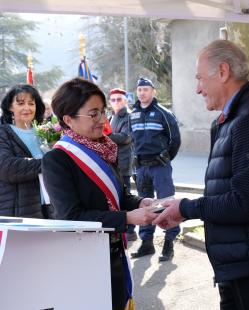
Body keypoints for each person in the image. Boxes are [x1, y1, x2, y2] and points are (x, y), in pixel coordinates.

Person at [153, 40, 249, 309]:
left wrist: (186, 208)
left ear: (223, 72)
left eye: (200, 78)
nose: (198, 88)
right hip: (244, 259)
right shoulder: (235, 117)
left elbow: (246, 202)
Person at [42, 78, 157, 310]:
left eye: (102, 112)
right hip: (83, 261)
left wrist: (142, 202)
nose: (103, 120)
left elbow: (119, 198)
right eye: (93, 114)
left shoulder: (104, 148)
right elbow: (71, 216)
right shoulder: (57, 160)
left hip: (114, 253)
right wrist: (128, 218)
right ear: (68, 120)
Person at [129, 77, 181, 261]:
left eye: (146, 89)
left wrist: (166, 157)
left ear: (153, 92)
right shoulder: (133, 114)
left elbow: (175, 139)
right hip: (142, 168)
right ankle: (147, 242)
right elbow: (132, 142)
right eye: (140, 89)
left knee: (166, 203)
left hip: (160, 167)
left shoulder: (163, 113)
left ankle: (169, 242)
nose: (142, 92)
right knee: (146, 204)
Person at [0, 84, 51, 218]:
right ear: (10, 107)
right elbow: (7, 168)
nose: (27, 108)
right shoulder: (3, 134)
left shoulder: (45, 133)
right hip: (18, 213)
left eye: (31, 103)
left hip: (50, 210)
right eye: (21, 103)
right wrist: (49, 163)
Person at [107, 87, 137, 241]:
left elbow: (126, 137)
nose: (116, 102)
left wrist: (105, 135)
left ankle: (131, 230)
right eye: (113, 99)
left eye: (119, 99)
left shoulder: (129, 116)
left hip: (124, 162)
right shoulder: (112, 116)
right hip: (113, 161)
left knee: (126, 197)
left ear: (125, 100)